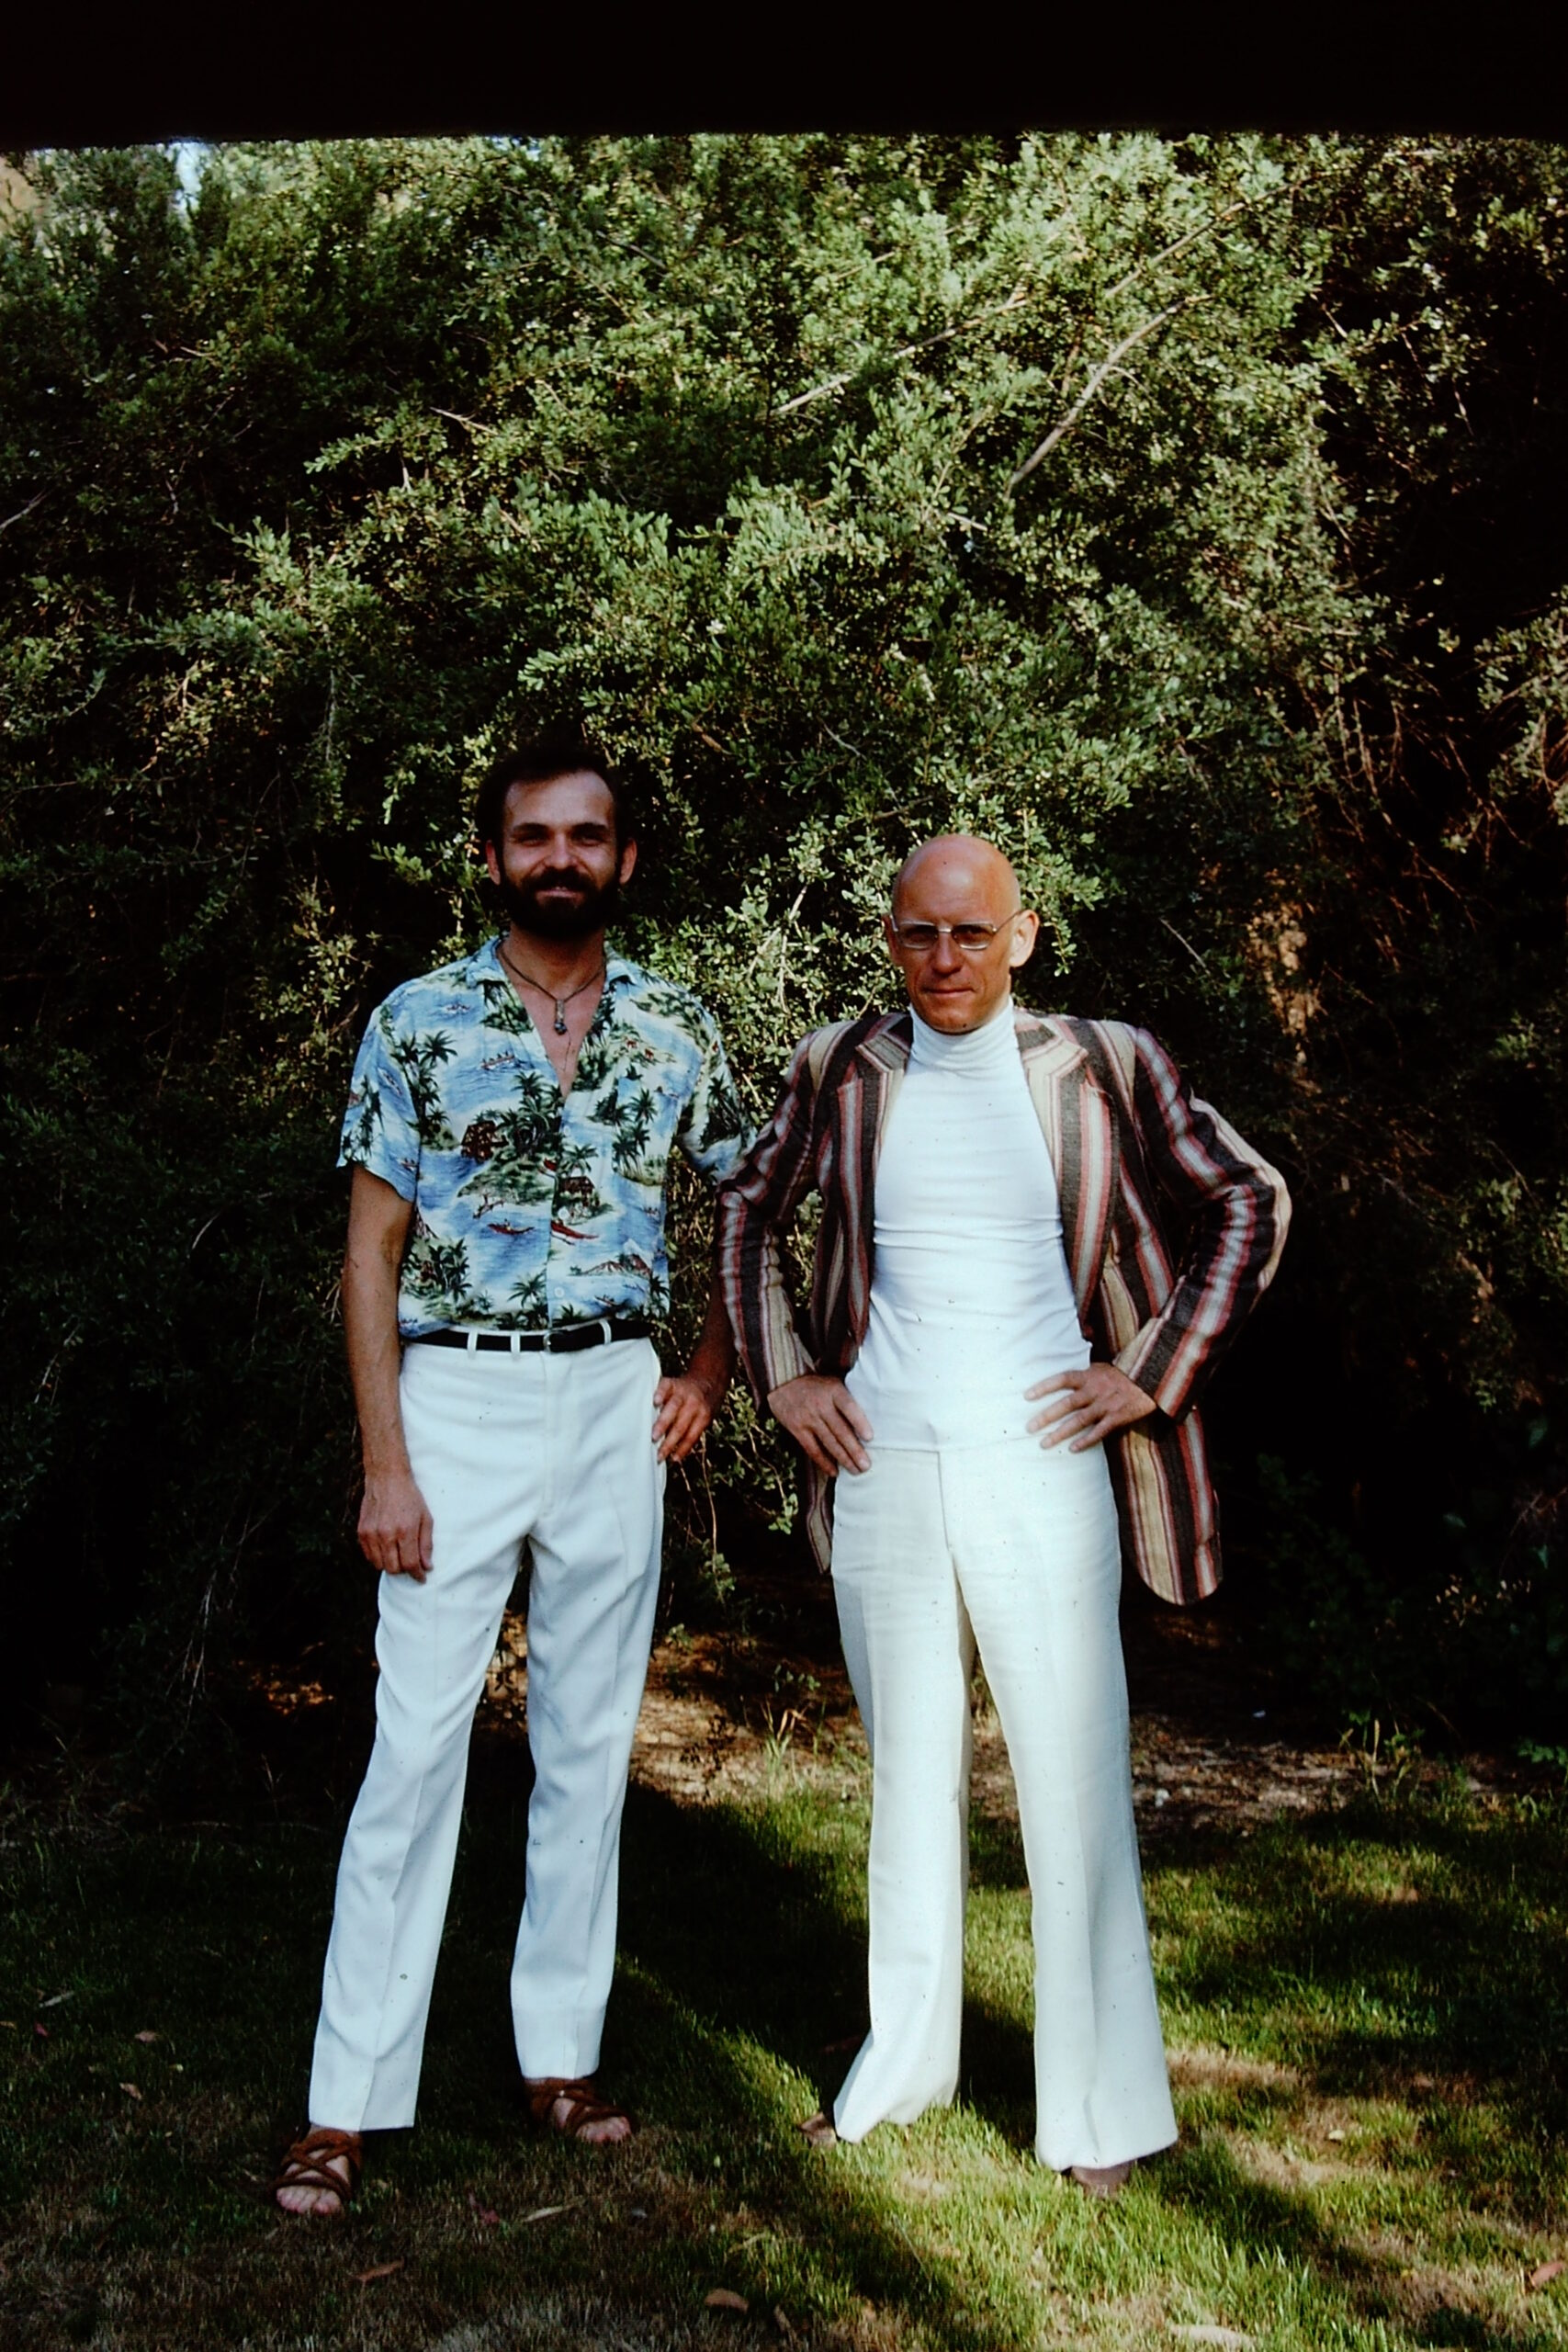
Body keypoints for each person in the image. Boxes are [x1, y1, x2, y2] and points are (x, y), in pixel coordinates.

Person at [716, 834, 1289, 2195]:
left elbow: (1248, 1202)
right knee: (909, 1779)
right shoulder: (838, 1069)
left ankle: (1103, 2113)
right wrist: (784, 1374)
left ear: (1024, 937)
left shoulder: (1104, 1061)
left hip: (1045, 1464)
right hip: (883, 1466)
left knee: (1072, 1780)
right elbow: (741, 1207)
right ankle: (902, 2073)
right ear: (888, 936)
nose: (944, 960)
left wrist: (1149, 1374)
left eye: (972, 935)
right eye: (919, 934)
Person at [274, 729, 748, 2216]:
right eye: (533, 837)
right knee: (413, 1753)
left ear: (624, 859)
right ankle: (345, 2105)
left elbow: (741, 1214)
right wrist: (385, 1463)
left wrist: (707, 1376)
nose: (560, 859)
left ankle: (559, 2057)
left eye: (585, 837)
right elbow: (369, 1252)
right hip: (457, 1397)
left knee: (588, 1742)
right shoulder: (418, 1022)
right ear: (493, 857)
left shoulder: (677, 1027)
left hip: (616, 1395)